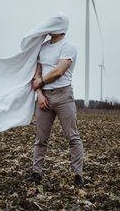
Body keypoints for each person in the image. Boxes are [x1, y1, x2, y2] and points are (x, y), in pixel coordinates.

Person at [28, 30, 84, 187]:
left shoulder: (69, 47)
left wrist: (40, 82)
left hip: (63, 96)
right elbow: (36, 76)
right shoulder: (42, 47)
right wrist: (39, 94)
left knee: (72, 136)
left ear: (61, 28)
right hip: (44, 97)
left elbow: (59, 71)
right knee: (41, 138)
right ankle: (36, 173)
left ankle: (78, 175)